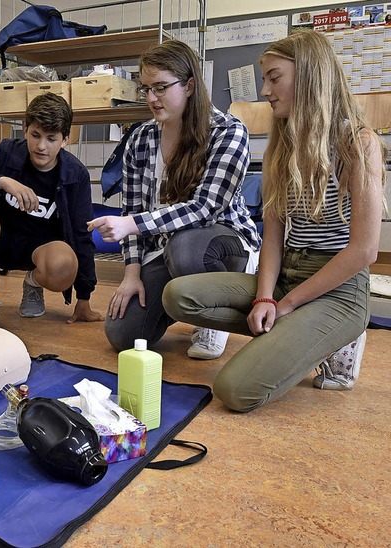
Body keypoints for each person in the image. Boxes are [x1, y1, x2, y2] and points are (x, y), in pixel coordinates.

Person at [162, 30, 386, 412]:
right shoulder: (280, 148)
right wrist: (267, 297)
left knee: (235, 390)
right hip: (286, 274)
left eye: (274, 77)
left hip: (340, 286)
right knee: (178, 295)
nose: (264, 90)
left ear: (310, 75)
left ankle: (334, 334)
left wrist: (288, 305)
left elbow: (363, 252)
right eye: (264, 78)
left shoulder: (359, 143)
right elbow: (272, 239)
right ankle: (299, 334)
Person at [88, 40, 261, 359]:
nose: (151, 98)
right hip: (165, 249)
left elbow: (204, 209)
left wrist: (131, 224)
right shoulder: (140, 139)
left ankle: (214, 315)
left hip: (222, 243)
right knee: (123, 334)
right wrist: (131, 274)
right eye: (146, 88)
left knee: (187, 247)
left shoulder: (228, 132)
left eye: (161, 87)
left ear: (190, 85)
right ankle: (181, 301)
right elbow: (134, 207)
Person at [0, 92, 103, 326]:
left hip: (42, 250)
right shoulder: (6, 151)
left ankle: (33, 283)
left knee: (64, 264)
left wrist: (84, 298)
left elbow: (83, 236)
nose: (41, 146)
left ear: (65, 139)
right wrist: (1, 181)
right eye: (35, 135)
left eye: (51, 138)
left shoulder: (76, 174)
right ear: (25, 128)